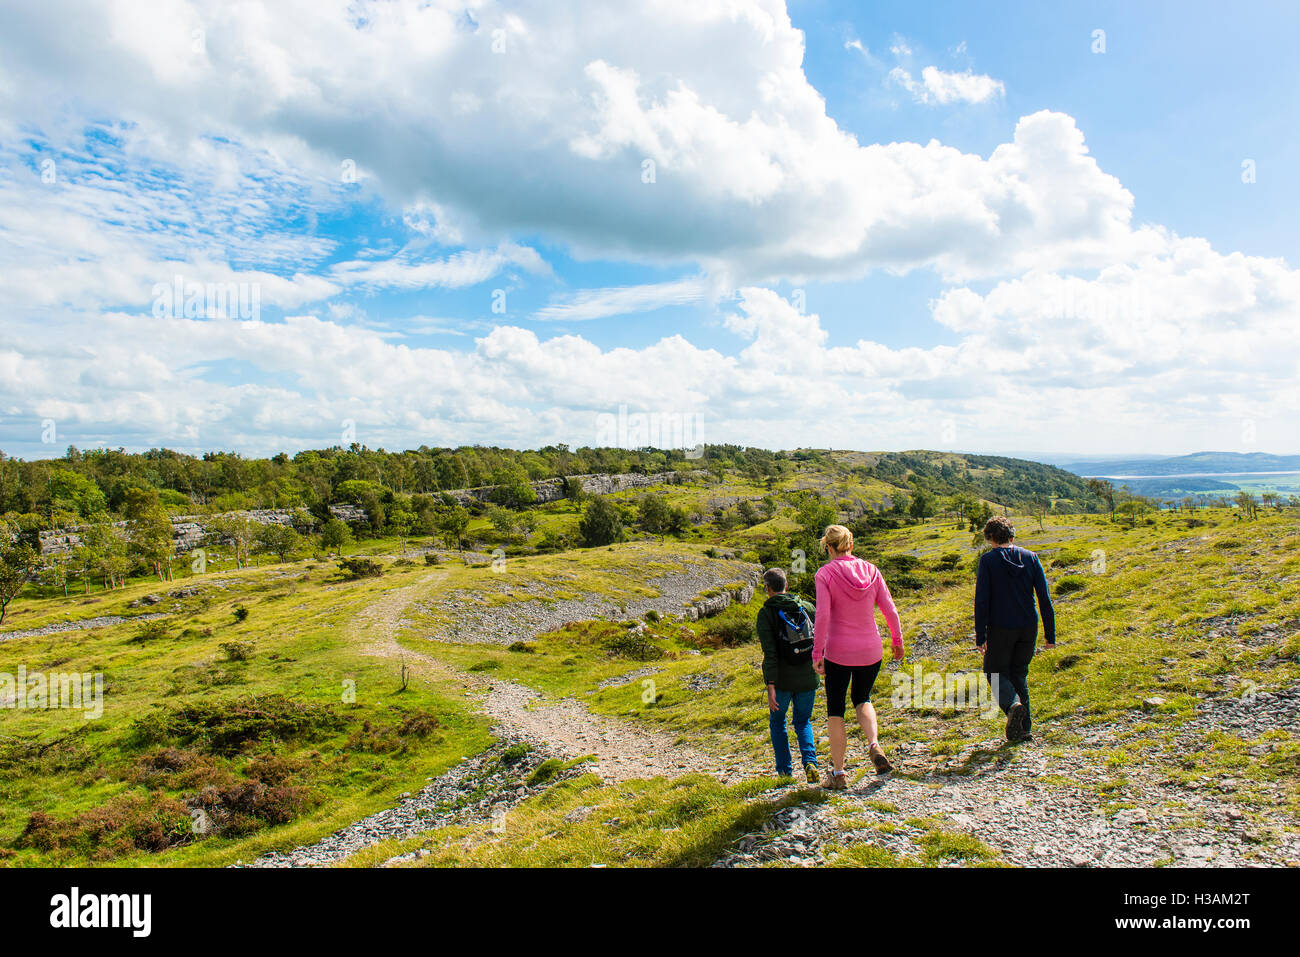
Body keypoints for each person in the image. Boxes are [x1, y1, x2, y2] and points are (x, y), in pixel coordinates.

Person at [812, 524, 904, 788]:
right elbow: (890, 609)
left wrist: (818, 652)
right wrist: (897, 641)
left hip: (839, 652)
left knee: (835, 710)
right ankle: (874, 744)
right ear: (850, 545)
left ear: (829, 547)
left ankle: (839, 773)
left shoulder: (825, 573)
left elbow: (823, 615)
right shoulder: (872, 570)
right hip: (871, 650)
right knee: (862, 698)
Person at [974, 515, 1056, 742]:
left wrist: (980, 636)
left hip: (1001, 626)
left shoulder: (988, 561)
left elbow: (982, 600)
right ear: (1012, 535)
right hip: (1028, 626)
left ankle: (1012, 705)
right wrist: (1050, 635)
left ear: (990, 537)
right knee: (1018, 673)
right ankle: (1025, 729)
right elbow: (1044, 599)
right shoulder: (1031, 557)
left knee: (994, 671)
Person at [755, 567, 820, 783]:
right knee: (803, 722)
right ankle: (810, 762)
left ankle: (784, 772)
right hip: (808, 675)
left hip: (782, 680)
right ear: (786, 585)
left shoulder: (766, 614)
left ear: (768, 589)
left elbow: (770, 653)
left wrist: (770, 684)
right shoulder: (807, 607)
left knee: (777, 722)